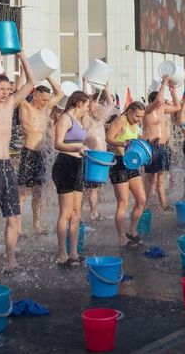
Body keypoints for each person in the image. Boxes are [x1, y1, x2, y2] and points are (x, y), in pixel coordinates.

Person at [0, 47, 35, 274]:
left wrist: (21, 54)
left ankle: (10, 259)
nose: (5, 92)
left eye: (8, 89)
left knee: (14, 216)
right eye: (1, 88)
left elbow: (31, 82)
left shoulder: (10, 104)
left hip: (6, 166)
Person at [17, 75, 63, 235]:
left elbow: (60, 94)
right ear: (35, 95)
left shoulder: (45, 109)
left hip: (41, 154)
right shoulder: (25, 106)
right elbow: (18, 90)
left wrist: (49, 75)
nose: (45, 103)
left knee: (38, 191)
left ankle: (37, 224)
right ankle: (18, 226)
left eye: (47, 100)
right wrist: (24, 72)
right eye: (43, 99)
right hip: (29, 152)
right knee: (23, 192)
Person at [52, 91, 89, 267]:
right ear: (79, 103)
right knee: (65, 213)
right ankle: (62, 253)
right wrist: (77, 147)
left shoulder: (80, 122)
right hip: (65, 164)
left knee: (76, 213)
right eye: (87, 105)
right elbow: (57, 143)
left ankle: (74, 252)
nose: (88, 108)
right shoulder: (65, 119)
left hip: (78, 165)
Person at [106, 101, 147, 247]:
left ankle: (132, 231)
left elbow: (135, 140)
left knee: (141, 199)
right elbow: (109, 138)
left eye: (141, 117)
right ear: (129, 111)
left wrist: (146, 142)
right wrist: (122, 144)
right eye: (137, 116)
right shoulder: (120, 121)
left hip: (132, 163)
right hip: (118, 163)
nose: (139, 119)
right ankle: (122, 238)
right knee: (123, 202)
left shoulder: (135, 123)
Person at [142, 76, 181, 211]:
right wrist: (163, 83)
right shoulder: (147, 110)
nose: (164, 103)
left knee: (161, 178)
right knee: (150, 178)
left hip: (163, 147)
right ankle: (143, 204)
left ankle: (163, 204)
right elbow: (159, 100)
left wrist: (173, 91)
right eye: (162, 101)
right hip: (151, 147)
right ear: (152, 102)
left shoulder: (163, 110)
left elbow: (177, 107)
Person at [82, 80, 116, 222]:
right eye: (94, 103)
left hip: (101, 155)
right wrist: (84, 83)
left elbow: (111, 105)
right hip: (91, 156)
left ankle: (89, 211)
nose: (98, 106)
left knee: (94, 187)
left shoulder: (100, 120)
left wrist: (107, 89)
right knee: (91, 188)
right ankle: (91, 213)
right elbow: (84, 98)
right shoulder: (85, 118)